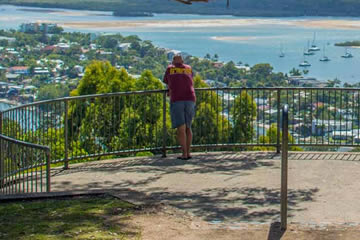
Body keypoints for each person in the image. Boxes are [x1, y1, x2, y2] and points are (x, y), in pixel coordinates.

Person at [163, 55, 196, 160]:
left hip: (177, 99)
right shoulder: (188, 68)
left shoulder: (170, 68)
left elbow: (168, 82)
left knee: (181, 128)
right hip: (190, 98)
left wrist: (169, 91)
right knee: (188, 127)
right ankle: (189, 152)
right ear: (182, 61)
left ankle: (184, 154)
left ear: (173, 61)